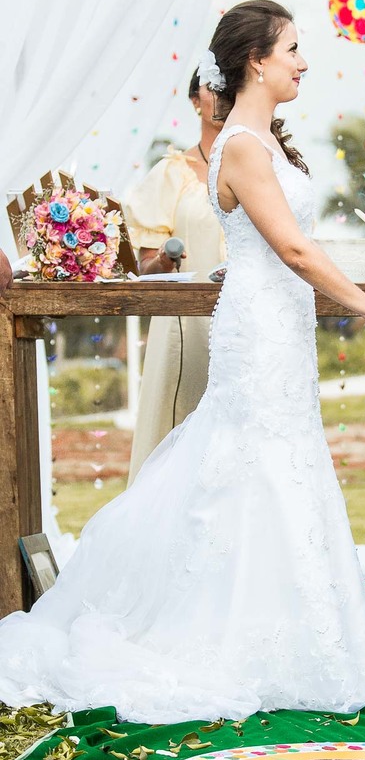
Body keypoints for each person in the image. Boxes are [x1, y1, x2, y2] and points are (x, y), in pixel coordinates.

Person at [0, 0, 365, 724]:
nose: (303, 61)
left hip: (275, 321)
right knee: (253, 463)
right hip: (261, 325)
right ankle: (238, 635)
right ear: (256, 60)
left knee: (279, 463)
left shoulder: (265, 143)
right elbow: (291, 248)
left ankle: (295, 626)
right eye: (292, 49)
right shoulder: (246, 148)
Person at [124, 73, 225, 482]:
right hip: (184, 325)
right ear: (194, 100)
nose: (220, 98)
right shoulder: (170, 173)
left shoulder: (268, 165)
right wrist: (166, 260)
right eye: (212, 89)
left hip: (247, 316)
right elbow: (144, 267)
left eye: (227, 89)